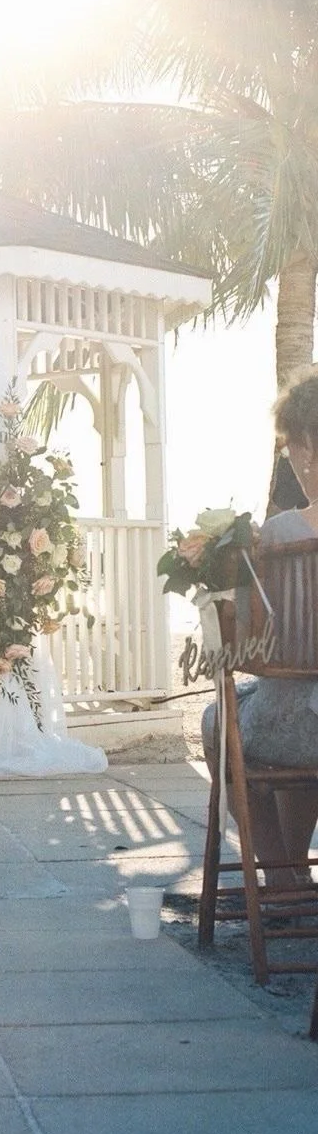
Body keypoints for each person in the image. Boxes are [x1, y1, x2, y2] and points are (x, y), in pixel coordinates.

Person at [202, 367, 318, 887]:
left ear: (310, 446)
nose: (291, 456)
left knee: (220, 724)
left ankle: (281, 878)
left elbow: (250, 647)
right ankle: (296, 876)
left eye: (292, 445)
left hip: (298, 725)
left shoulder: (279, 535)